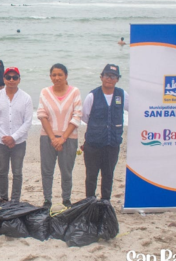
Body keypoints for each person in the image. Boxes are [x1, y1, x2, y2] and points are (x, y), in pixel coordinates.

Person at [81, 64, 129, 202]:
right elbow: (85, 117)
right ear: (101, 77)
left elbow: (134, 108)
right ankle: (89, 202)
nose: (109, 78)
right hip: (93, 145)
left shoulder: (122, 95)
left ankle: (105, 202)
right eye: (107, 75)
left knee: (108, 175)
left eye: (113, 76)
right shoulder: (92, 96)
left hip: (112, 144)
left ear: (117, 79)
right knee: (91, 175)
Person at [37, 64, 82, 209]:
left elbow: (77, 117)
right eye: (54, 75)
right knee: (47, 170)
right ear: (50, 77)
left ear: (66, 76)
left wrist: (62, 138)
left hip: (69, 138)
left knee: (67, 171)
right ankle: (47, 200)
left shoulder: (75, 92)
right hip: (47, 137)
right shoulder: (45, 92)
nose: (57, 78)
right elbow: (42, 115)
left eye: (60, 74)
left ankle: (66, 200)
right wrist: (53, 138)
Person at [0, 67, 33, 203]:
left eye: (15, 77)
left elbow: (28, 121)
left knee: (17, 173)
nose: (11, 80)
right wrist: (5, 137)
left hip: (19, 142)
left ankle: (15, 200)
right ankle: (3, 198)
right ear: (4, 79)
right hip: (0, 141)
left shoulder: (26, 98)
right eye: (8, 77)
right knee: (2, 172)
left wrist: (13, 137)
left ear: (19, 79)